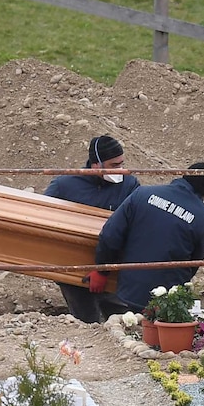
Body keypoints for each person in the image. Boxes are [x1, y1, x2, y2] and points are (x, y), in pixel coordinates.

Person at [89, 162, 204, 313]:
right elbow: (192, 264)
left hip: (125, 295)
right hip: (164, 306)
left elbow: (111, 235)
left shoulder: (142, 194)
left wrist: (102, 271)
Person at [44, 135, 140, 323]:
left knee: (127, 322)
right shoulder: (65, 185)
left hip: (114, 269)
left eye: (122, 163)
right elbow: (45, 216)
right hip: (75, 271)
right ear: (95, 165)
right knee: (86, 323)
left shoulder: (129, 185)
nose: (120, 169)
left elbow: (132, 227)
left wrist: (104, 270)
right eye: (114, 165)